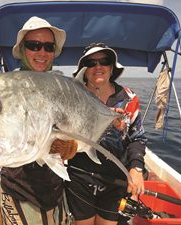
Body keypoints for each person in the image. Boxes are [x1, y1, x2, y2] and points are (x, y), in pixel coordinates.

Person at [65, 43, 147, 225]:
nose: (98, 66)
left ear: (112, 67)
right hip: (79, 176)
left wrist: (136, 168)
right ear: (83, 70)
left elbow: (138, 137)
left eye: (104, 61)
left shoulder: (129, 98)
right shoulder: (72, 97)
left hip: (115, 179)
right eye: (91, 63)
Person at [0, 16, 67, 225]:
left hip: (56, 190)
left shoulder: (63, 89)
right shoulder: (7, 90)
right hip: (20, 193)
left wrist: (67, 145)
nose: (42, 52)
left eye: (48, 46)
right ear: (22, 50)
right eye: (34, 45)